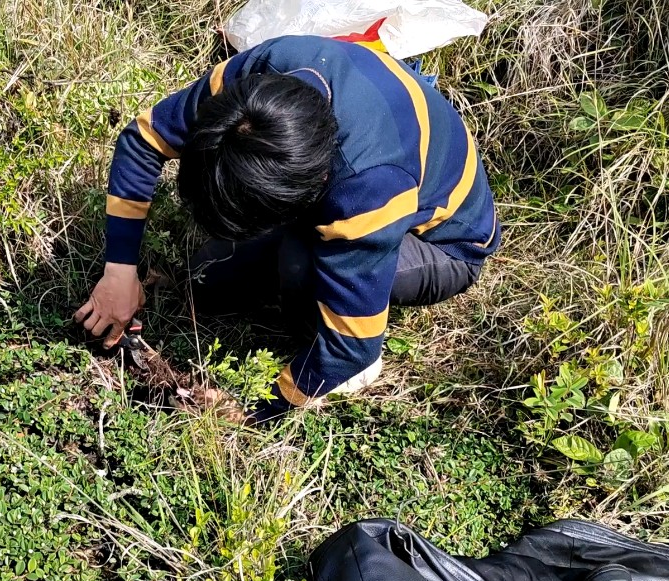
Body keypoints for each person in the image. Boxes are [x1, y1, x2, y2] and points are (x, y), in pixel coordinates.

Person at [74, 35, 500, 422]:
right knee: (207, 282)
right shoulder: (259, 78)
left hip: (444, 245)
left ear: (310, 189)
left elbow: (353, 347)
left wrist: (254, 410)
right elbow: (142, 140)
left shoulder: (367, 191)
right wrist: (119, 271)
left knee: (304, 259)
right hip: (345, 160)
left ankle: (336, 331)